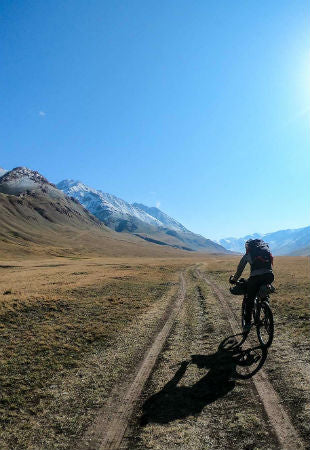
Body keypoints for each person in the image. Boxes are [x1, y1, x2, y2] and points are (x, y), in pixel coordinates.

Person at [230, 239, 274, 331]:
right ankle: (266, 312)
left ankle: (248, 324)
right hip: (269, 276)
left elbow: (240, 268)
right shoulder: (265, 250)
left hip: (255, 279)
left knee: (250, 299)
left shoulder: (249, 253)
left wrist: (234, 279)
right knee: (264, 294)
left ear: (248, 247)